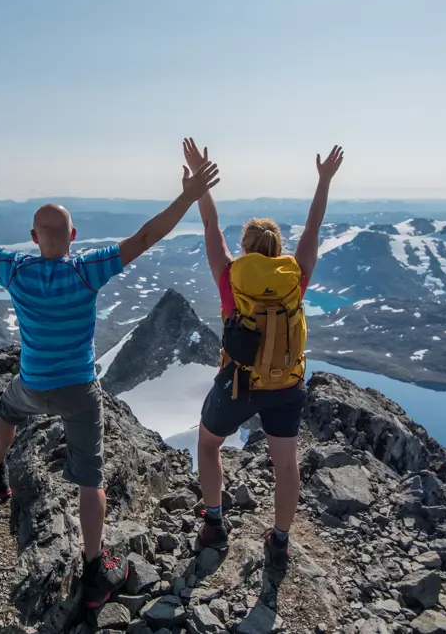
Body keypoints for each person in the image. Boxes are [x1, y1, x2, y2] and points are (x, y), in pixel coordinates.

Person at [0, 157, 220, 607]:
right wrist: (189, 196)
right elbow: (146, 237)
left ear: (34, 237)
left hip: (33, 383)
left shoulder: (15, 268)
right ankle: (94, 570)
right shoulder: (86, 270)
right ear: (73, 236)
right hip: (79, 391)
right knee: (90, 479)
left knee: (6, 411)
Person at [182, 137, 343, 570]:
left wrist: (199, 182)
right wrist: (324, 180)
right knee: (286, 465)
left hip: (239, 383)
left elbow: (211, 226)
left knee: (208, 444)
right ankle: (280, 542)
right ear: (277, 248)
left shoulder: (230, 278)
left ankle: (213, 525)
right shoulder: (295, 278)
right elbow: (313, 228)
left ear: (246, 248)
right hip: (287, 384)